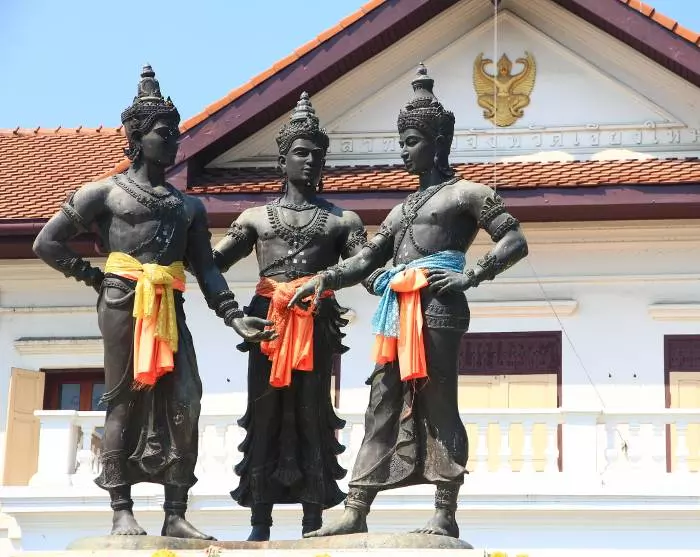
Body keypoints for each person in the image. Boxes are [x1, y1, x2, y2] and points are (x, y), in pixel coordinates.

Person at [32, 65, 275, 540]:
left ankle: (175, 511)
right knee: (125, 397)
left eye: (175, 133)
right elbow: (47, 242)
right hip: (124, 301)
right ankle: (121, 508)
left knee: (186, 396)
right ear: (137, 137)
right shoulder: (104, 192)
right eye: (164, 133)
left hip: (168, 303)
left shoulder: (188, 206)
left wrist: (234, 316)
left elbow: (206, 268)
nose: (173, 141)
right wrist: (93, 277)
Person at [288, 64, 529, 539]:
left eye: (412, 141)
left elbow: (514, 241)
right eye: (401, 141)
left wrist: (472, 275)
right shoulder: (401, 210)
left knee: (439, 404)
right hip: (398, 314)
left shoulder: (468, 194)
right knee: (381, 401)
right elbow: (368, 259)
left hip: (439, 307)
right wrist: (325, 278)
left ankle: (445, 510)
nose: (403, 150)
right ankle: (356, 506)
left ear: (438, 143)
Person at [212, 92, 368, 541]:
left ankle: (313, 520)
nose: (310, 161)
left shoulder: (342, 221)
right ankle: (259, 521)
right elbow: (212, 264)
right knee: (265, 413)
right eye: (301, 153)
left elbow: (365, 266)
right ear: (282, 161)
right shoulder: (256, 219)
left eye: (317, 155)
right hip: (267, 322)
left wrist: (391, 272)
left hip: (316, 321)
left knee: (311, 413)